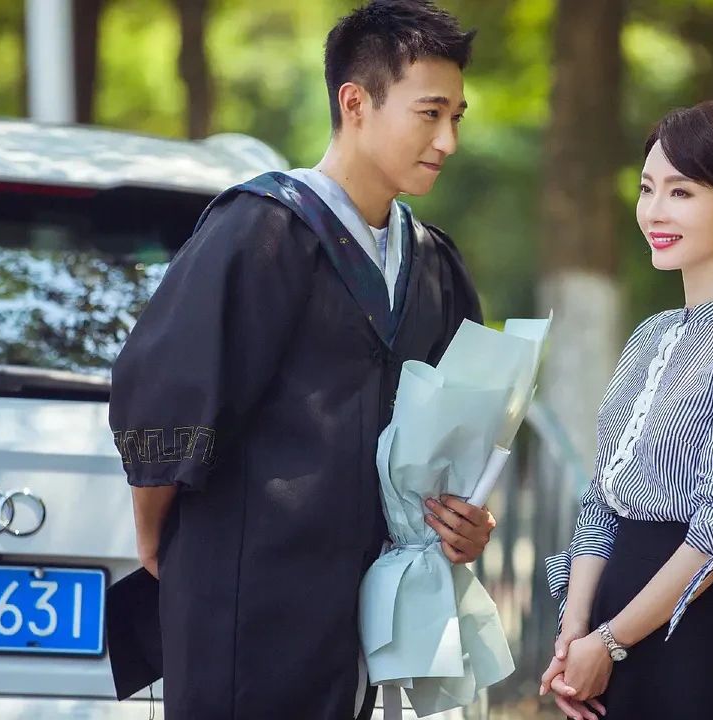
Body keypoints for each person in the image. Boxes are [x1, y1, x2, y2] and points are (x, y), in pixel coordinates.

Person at [108, 2, 497, 718]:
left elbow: (459, 434)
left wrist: (468, 519)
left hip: (369, 621)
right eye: (429, 113)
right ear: (355, 102)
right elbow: (167, 394)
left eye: (456, 117)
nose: (448, 140)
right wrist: (154, 534)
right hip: (251, 606)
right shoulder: (261, 232)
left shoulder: (432, 265)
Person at [539, 100, 713, 720]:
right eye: (647, 189)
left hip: (697, 646)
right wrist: (575, 632)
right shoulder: (652, 336)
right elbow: (603, 498)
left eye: (681, 192)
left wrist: (610, 642)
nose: (654, 211)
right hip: (611, 630)